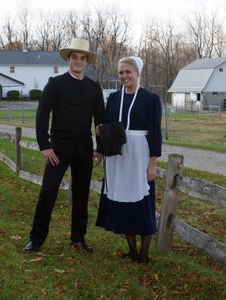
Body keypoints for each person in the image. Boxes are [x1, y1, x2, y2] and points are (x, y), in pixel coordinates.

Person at [23, 38, 105, 253]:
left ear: (87, 62)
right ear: (69, 60)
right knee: (48, 192)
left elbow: (100, 121)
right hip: (57, 149)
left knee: (81, 195)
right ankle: (36, 239)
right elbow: (42, 116)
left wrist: (101, 148)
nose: (78, 61)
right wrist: (45, 145)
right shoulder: (56, 84)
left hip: (83, 150)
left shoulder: (94, 88)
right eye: (74, 57)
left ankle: (78, 239)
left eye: (82, 58)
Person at [95, 56, 162, 263]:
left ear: (137, 73)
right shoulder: (114, 98)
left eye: (128, 72)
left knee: (142, 201)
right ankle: (131, 250)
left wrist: (152, 163)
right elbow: (106, 126)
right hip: (117, 156)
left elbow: (155, 133)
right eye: (121, 72)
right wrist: (101, 134)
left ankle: (144, 253)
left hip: (139, 155)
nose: (124, 76)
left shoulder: (150, 99)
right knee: (122, 200)